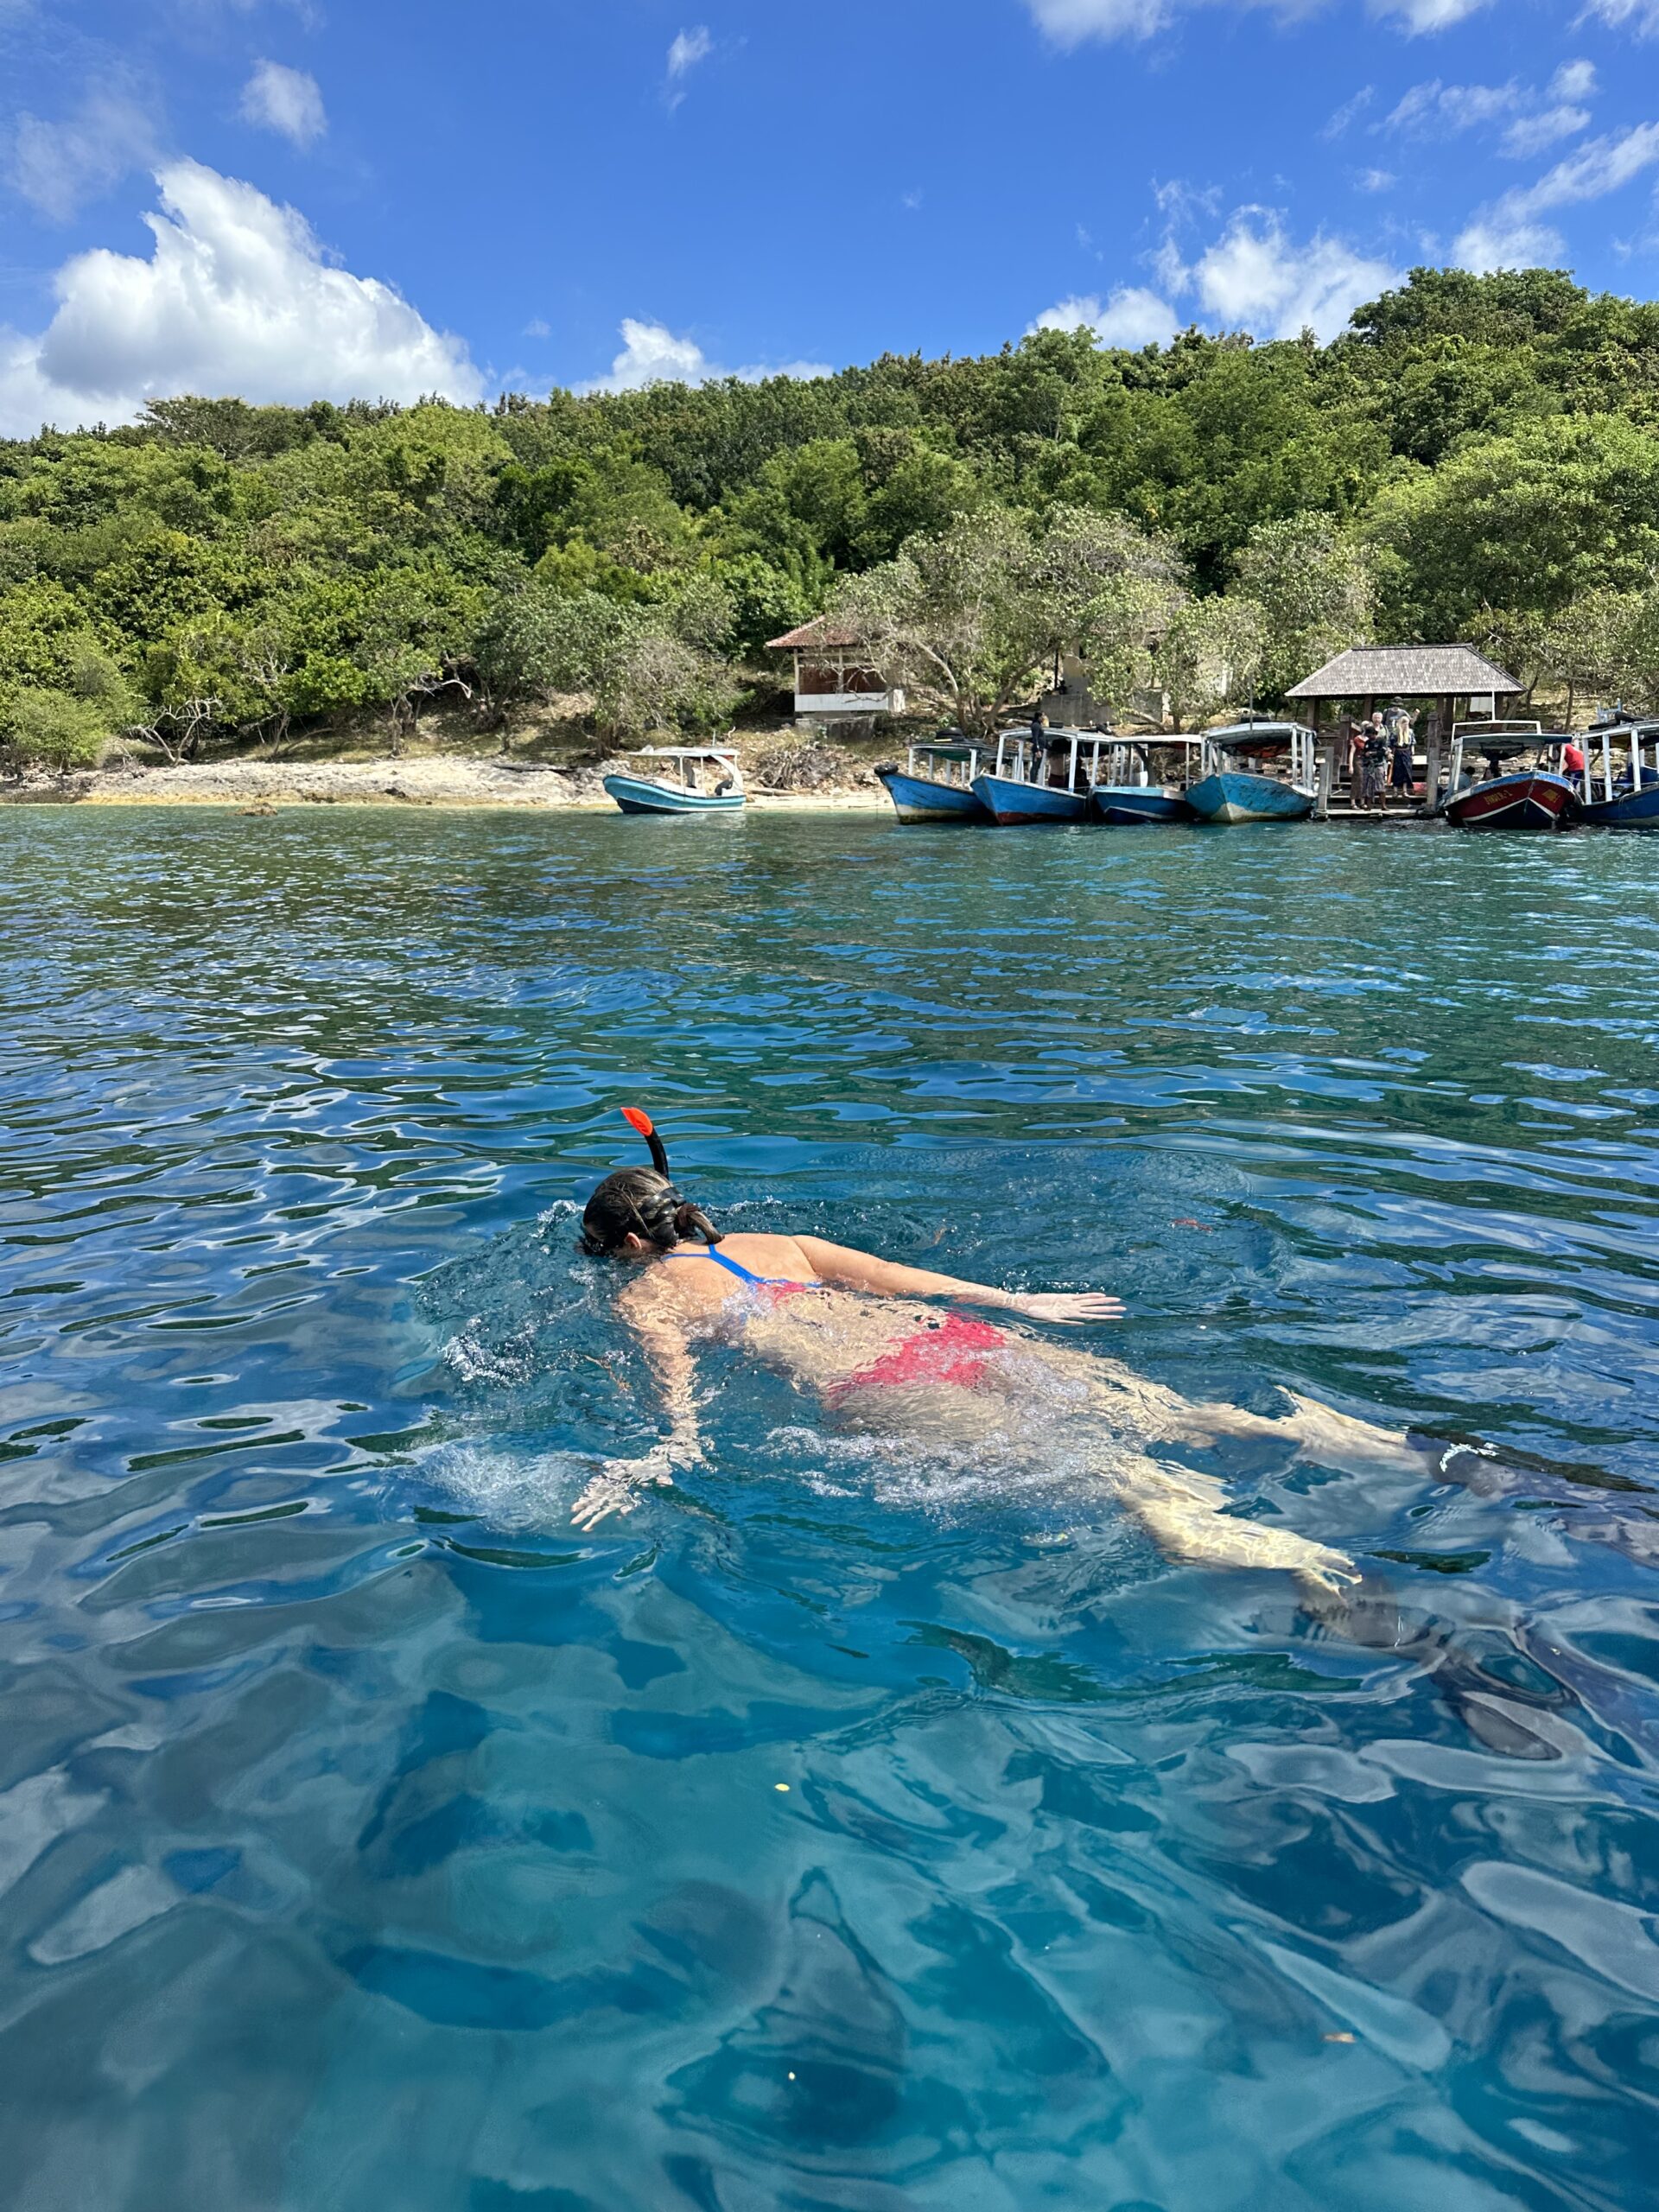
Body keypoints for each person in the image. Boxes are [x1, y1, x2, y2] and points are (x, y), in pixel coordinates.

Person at [568, 1109, 1426, 1591]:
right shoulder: (778, 1242)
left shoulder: (647, 1298)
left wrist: (663, 1454)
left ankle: (1304, 1565)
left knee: (1119, 1478)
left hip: (876, 1381)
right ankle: (1403, 1450)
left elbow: (678, 1398)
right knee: (1177, 1414)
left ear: (631, 1246)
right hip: (950, 1334)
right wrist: (1020, 1300)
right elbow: (900, 1279)